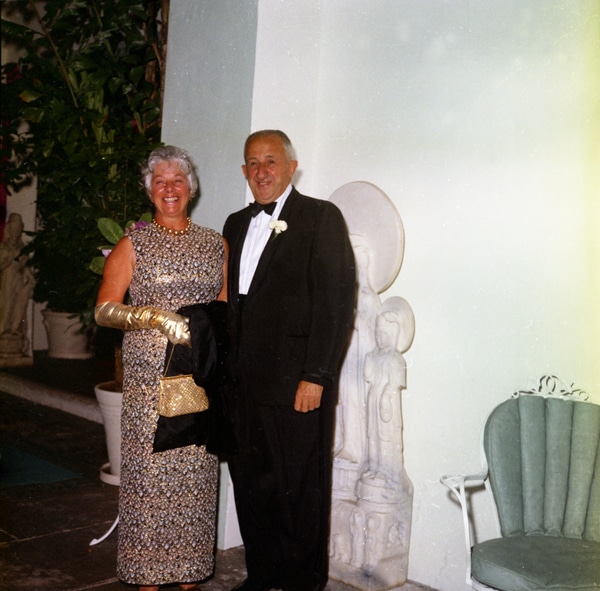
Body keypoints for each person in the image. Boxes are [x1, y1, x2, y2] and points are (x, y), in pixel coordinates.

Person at [223, 130, 356, 591]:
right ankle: (263, 574)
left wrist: (316, 375)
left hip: (296, 383)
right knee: (252, 486)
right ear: (244, 171)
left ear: (291, 167)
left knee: (300, 489)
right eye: (252, 163)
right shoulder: (235, 223)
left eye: (270, 161)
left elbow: (336, 304)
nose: (261, 171)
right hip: (242, 386)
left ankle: (303, 582)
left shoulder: (320, 217)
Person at [95, 145, 228, 591]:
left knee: (194, 475)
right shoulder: (134, 242)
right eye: (159, 181)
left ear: (191, 187)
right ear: (149, 190)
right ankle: (148, 579)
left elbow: (224, 309)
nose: (169, 188)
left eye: (177, 180)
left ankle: (190, 576)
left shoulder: (215, 243)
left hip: (198, 376)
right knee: (150, 480)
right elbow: (105, 310)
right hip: (150, 380)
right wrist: (154, 317)